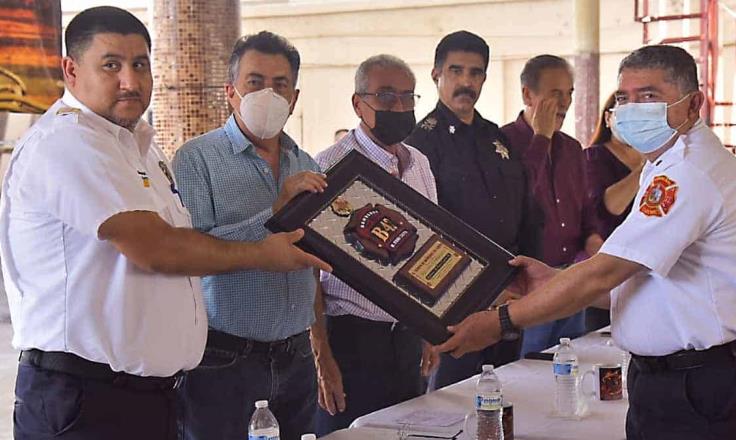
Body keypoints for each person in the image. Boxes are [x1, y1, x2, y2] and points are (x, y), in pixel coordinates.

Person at [0, 8, 329, 440]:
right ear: (71, 70)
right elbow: (159, 248)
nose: (131, 82)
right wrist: (262, 251)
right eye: (111, 65)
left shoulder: (139, 148)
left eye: (140, 65)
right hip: (86, 396)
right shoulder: (69, 143)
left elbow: (181, 242)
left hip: (146, 393)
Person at [437, 45, 736, 440]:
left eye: (649, 96)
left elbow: (606, 272)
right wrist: (553, 279)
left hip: (702, 388)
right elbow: (639, 280)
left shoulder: (688, 170)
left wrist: (502, 321)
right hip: (675, 382)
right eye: (625, 98)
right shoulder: (663, 163)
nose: (632, 109)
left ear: (693, 103)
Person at [173, 32, 325, 440]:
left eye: (280, 85)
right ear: (231, 91)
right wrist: (276, 213)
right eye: (255, 82)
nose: (268, 94)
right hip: (225, 358)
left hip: (296, 354)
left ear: (294, 98)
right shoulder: (196, 159)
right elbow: (192, 253)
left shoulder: (305, 162)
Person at [311, 54, 440, 436]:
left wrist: (430, 327)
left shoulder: (419, 164)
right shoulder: (329, 168)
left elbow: (431, 247)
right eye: (386, 97)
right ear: (358, 104)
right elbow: (306, 272)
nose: (399, 107)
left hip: (407, 338)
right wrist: (322, 356)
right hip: (351, 340)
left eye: (408, 97)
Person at [405, 31, 541, 389]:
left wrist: (526, 282)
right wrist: (477, 292)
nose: (466, 82)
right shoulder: (419, 144)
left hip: (509, 299)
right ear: (436, 74)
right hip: (454, 305)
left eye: (475, 73)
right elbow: (423, 232)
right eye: (456, 71)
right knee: (454, 405)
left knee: (507, 398)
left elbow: (525, 211)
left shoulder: (497, 139)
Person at [501, 54, 603, 356]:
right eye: (555, 93)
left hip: (572, 279)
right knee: (528, 370)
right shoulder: (501, 143)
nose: (564, 102)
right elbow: (516, 200)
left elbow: (586, 210)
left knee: (569, 365)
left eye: (569, 93)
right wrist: (541, 137)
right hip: (529, 285)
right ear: (527, 94)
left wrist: (594, 240)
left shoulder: (572, 148)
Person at [583, 93, 645, 331]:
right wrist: (643, 170)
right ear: (608, 119)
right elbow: (609, 208)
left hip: (643, 261)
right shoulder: (594, 157)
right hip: (610, 261)